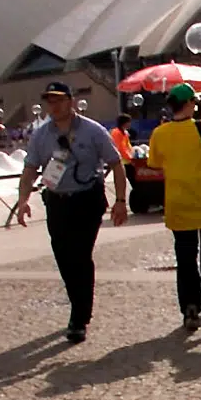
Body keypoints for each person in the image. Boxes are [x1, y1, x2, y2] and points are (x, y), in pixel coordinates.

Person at [14, 81, 127, 343]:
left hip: (87, 200)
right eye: (49, 101)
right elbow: (30, 168)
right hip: (57, 201)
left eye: (58, 100)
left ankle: (79, 316)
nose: (53, 106)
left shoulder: (93, 131)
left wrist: (120, 200)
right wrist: (22, 200)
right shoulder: (41, 135)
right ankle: (78, 300)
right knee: (63, 256)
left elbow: (116, 164)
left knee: (80, 254)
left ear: (71, 101)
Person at [146, 82, 201, 330]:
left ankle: (190, 305)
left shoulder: (160, 133)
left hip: (178, 201)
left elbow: (155, 163)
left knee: (185, 257)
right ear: (190, 104)